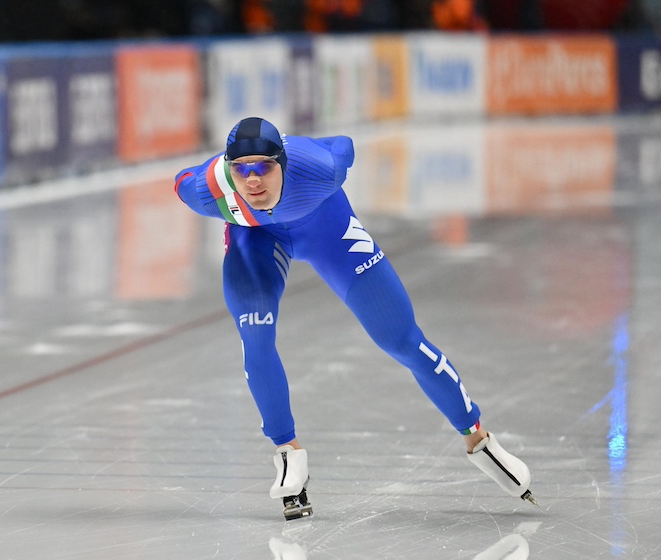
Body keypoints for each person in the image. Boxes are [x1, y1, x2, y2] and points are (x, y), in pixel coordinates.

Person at [173, 117, 537, 520]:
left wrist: (304, 145)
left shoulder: (319, 169)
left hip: (327, 227)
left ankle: (480, 440)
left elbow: (342, 143)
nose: (253, 180)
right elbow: (180, 179)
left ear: (284, 162)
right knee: (256, 340)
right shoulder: (206, 190)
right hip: (256, 239)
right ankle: (287, 451)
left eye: (265, 167)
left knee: (401, 340)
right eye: (242, 169)